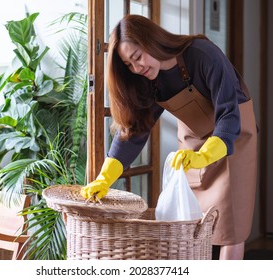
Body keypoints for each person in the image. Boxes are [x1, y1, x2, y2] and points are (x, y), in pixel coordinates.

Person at [80, 14, 258, 260]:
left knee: (231, 228)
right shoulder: (148, 80)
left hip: (233, 141)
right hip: (192, 146)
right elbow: (134, 131)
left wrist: (206, 155)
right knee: (193, 224)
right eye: (129, 65)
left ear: (152, 41)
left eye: (137, 57)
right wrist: (104, 177)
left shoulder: (202, 55)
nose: (137, 68)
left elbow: (228, 115)